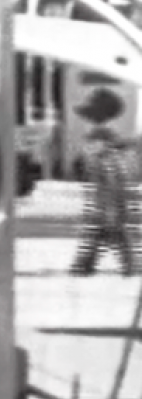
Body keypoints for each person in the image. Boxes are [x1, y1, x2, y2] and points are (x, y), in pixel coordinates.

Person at [71, 88, 142, 276]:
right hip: (109, 192)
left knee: (107, 228)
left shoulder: (100, 138)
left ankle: (88, 265)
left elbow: (106, 169)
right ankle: (87, 265)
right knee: (108, 229)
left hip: (106, 192)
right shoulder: (112, 138)